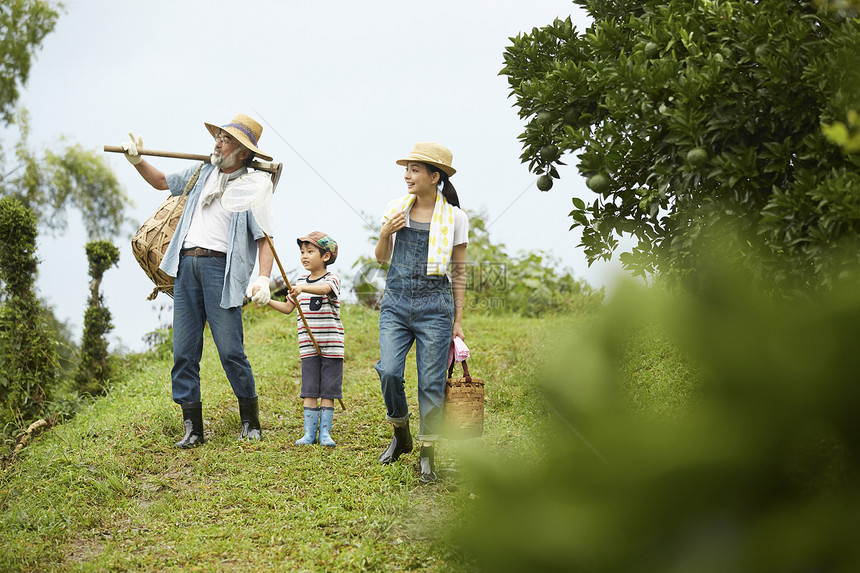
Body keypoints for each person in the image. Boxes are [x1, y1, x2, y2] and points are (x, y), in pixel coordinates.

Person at [121, 113, 275, 448]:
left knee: (231, 351)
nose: (218, 142)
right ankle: (193, 428)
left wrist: (263, 278)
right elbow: (161, 181)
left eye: (226, 139)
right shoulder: (201, 172)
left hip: (220, 270)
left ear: (244, 153)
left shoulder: (254, 187)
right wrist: (137, 160)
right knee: (184, 352)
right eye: (218, 136)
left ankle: (250, 421)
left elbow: (265, 239)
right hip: (186, 266)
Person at [374, 142, 469, 484]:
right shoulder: (395, 209)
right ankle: (401, 434)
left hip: (436, 309)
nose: (407, 176)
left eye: (415, 170)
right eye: (407, 169)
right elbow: (381, 258)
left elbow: (458, 271)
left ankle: (428, 455)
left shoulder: (455, 218)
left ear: (434, 176)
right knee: (388, 371)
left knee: (431, 384)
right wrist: (386, 232)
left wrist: (457, 321)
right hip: (396, 304)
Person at [253, 232, 343, 447]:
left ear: (326, 257)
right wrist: (265, 300)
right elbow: (287, 308)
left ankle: (325, 434)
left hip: (331, 346)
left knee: (328, 390)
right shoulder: (299, 282)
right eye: (302, 252)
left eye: (310, 252)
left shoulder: (331, 279)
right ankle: (309, 433)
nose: (304, 256)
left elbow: (325, 290)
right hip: (308, 347)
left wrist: (303, 289)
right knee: (310, 389)